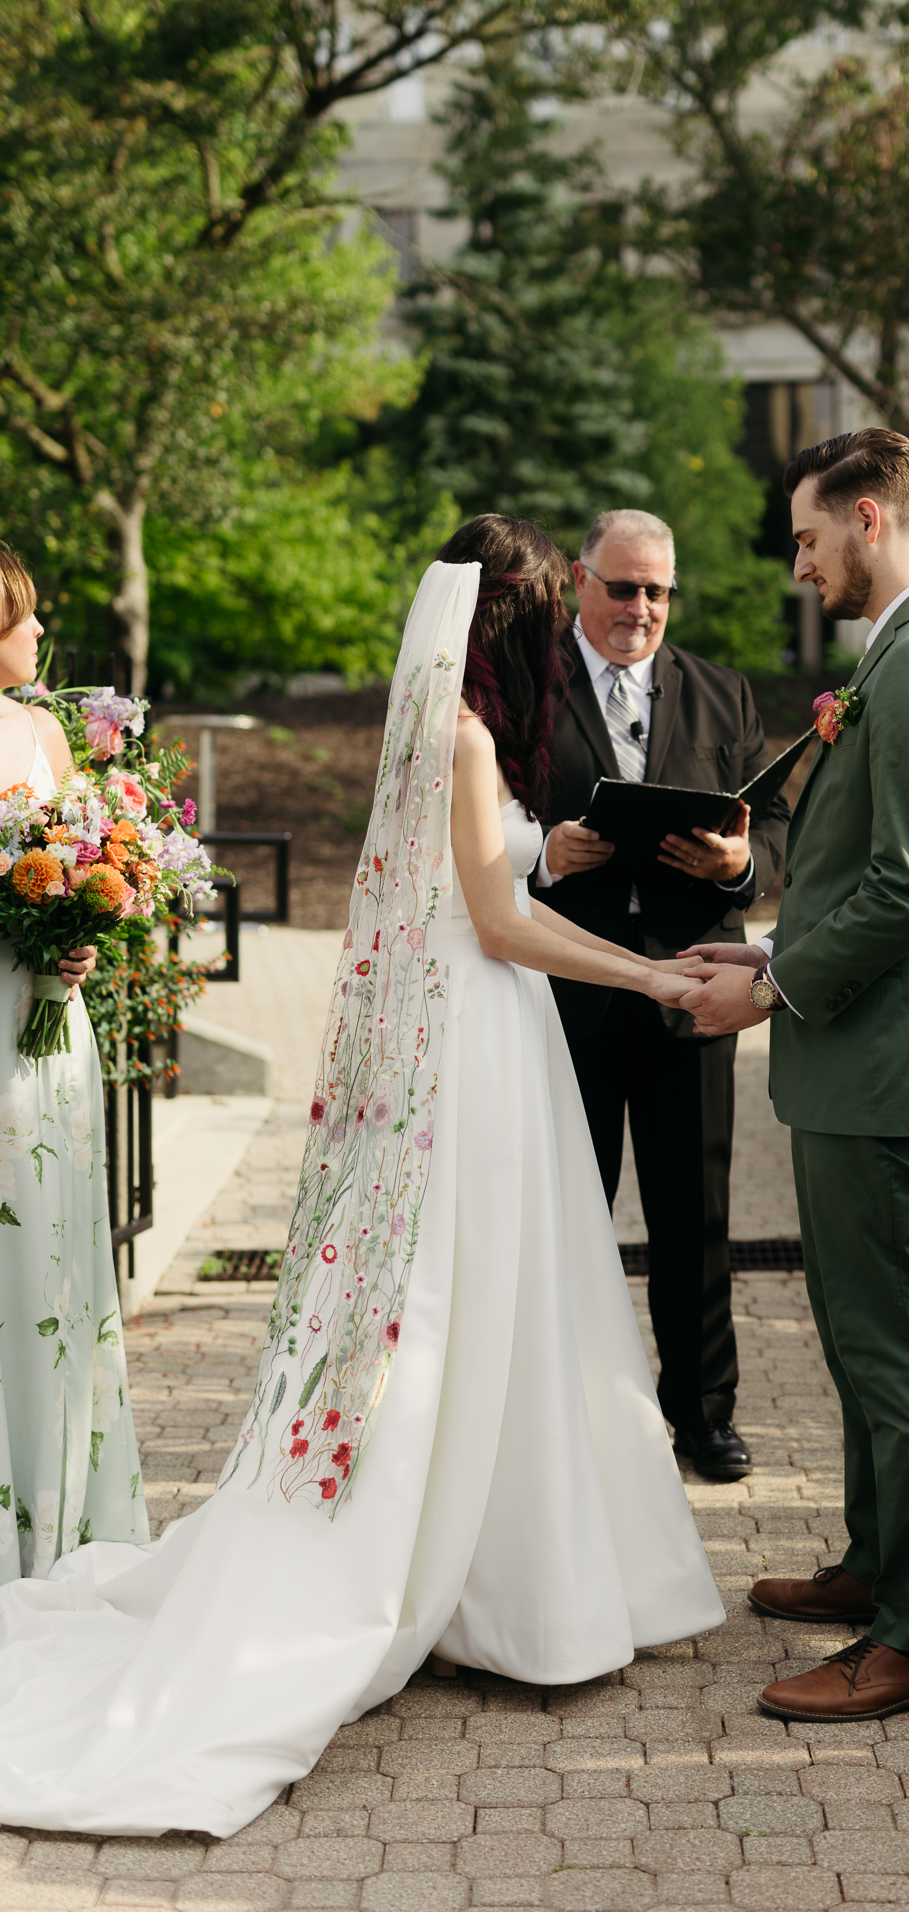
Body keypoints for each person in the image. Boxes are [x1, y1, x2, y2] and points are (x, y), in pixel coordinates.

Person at [0, 517, 723, 1837]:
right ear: (510, 625)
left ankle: (495, 1579)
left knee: (492, 1314)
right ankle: (491, 1586)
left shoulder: (432, 730)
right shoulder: (459, 739)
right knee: (475, 1312)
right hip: (479, 1047)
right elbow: (498, 921)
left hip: (464, 1040)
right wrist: (652, 973)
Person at [680, 429, 909, 1721]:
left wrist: (766, 987)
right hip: (859, 1061)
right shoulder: (908, 654)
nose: (800, 563)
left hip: (892, 1067)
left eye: (810, 539)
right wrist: (761, 942)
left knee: (896, 1349)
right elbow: (865, 874)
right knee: (860, 1336)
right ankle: (881, 1566)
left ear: (869, 519)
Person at [531, 509, 790, 1483]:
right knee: (570, 1211)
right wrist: (545, 854)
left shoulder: (721, 693)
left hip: (691, 986)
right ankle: (571, 1413)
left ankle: (704, 1414)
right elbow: (485, 829)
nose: (640, 607)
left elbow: (776, 827)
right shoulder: (527, 689)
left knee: (697, 1213)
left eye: (658, 591)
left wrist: (738, 863)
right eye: (622, 585)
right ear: (579, 581)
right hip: (567, 990)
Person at [0, 553, 148, 1584]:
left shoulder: (45, 731)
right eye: (26, 615)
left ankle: (55, 1511)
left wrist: (85, 928)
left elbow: (94, 853)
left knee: (54, 1257)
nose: (41, 630)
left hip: (53, 1023)